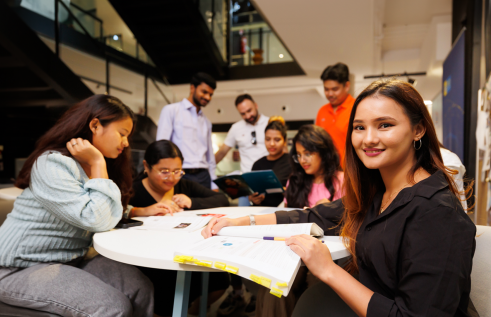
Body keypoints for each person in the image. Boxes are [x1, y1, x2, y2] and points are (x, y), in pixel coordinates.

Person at [202, 79, 477, 316]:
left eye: (384, 125)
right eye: (359, 127)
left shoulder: (437, 213)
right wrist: (242, 221)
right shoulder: (379, 192)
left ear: (418, 130)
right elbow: (314, 214)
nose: (368, 139)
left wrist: (329, 271)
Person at [0, 95, 154, 316]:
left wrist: (137, 211)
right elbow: (95, 218)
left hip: (71, 258)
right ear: (95, 125)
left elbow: (93, 205)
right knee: (111, 307)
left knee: (140, 289)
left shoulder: (88, 166)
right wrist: (97, 162)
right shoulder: (52, 163)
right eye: (122, 134)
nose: (126, 143)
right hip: (20, 267)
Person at [129, 140, 229, 317]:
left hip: (184, 253)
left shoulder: (184, 186)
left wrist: (191, 202)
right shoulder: (133, 191)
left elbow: (222, 200)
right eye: (164, 172)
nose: (172, 178)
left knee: (219, 280)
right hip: (151, 260)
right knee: (164, 295)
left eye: (177, 171)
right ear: (146, 166)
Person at [156, 72, 218, 189]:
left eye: (210, 94)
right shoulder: (171, 111)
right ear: (192, 88)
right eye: (204, 92)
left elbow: (210, 157)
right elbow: (161, 147)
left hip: (204, 176)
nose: (207, 97)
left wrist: (214, 183)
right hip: (181, 174)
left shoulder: (206, 122)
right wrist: (166, 175)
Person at [215, 94, 270, 206]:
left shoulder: (270, 123)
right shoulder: (236, 128)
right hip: (246, 184)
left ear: (256, 105)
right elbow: (221, 152)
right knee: (243, 217)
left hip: (266, 180)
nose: (248, 115)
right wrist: (207, 170)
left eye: (249, 110)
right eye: (243, 113)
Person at [285, 124, 344, 208]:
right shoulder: (295, 180)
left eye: (307, 154)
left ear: (323, 153)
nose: (302, 160)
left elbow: (352, 218)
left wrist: (331, 210)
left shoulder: (342, 180)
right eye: (298, 155)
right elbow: (287, 216)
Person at [315, 62, 355, 164]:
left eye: (335, 89)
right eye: (326, 89)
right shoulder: (322, 111)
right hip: (328, 172)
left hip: (352, 171)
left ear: (346, 86)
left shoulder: (357, 108)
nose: (330, 94)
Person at [249, 116, 291, 207]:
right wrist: (253, 199)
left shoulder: (292, 162)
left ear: (284, 141)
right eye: (267, 139)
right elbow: (252, 193)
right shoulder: (257, 165)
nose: (271, 144)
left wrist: (288, 192)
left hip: (282, 212)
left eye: (277, 140)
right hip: (258, 211)